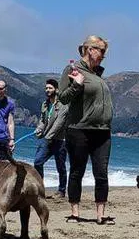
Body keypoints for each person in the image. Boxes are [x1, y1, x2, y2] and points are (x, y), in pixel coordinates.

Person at [57, 35, 114, 225]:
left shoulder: (98, 74)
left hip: (102, 131)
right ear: (90, 49)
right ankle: (75, 213)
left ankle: (101, 214)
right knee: (76, 171)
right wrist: (77, 85)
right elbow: (63, 97)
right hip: (79, 130)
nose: (104, 56)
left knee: (102, 172)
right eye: (101, 51)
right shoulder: (72, 70)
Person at [33, 79, 68, 198]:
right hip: (47, 139)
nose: (47, 90)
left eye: (50, 88)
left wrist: (48, 136)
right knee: (37, 162)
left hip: (60, 140)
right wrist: (39, 129)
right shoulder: (45, 104)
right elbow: (43, 120)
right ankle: (39, 189)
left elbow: (59, 123)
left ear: (56, 90)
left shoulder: (63, 104)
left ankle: (62, 190)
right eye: (46, 88)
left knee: (60, 166)